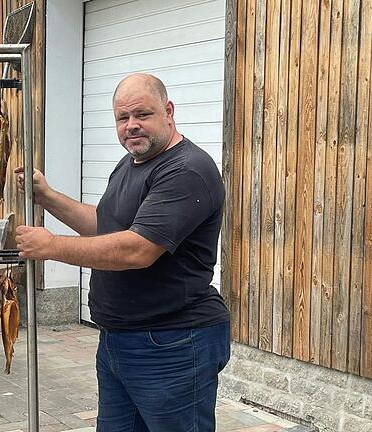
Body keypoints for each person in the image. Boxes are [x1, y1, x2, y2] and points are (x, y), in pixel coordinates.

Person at [14, 73, 231, 432]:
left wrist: (51, 246)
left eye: (142, 115)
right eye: (122, 118)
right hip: (119, 340)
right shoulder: (129, 163)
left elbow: (138, 249)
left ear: (169, 111)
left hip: (173, 343)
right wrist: (47, 197)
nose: (131, 126)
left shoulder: (187, 169)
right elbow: (106, 225)